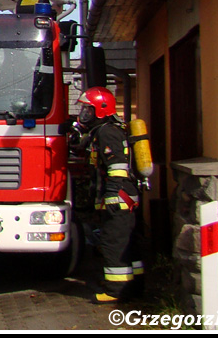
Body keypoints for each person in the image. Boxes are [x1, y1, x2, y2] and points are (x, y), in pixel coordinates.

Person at [73, 86, 144, 304]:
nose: (84, 114)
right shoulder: (102, 131)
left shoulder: (107, 132)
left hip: (120, 195)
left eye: (88, 110)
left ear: (101, 110)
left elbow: (118, 167)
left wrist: (113, 194)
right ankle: (133, 287)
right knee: (128, 242)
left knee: (113, 242)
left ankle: (115, 291)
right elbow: (82, 147)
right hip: (124, 195)